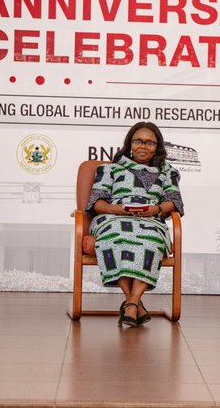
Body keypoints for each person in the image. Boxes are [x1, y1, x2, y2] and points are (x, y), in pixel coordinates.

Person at [86, 122, 184, 327]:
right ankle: (134, 304)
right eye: (138, 141)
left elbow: (173, 201)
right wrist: (117, 209)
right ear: (130, 143)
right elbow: (97, 203)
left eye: (150, 143)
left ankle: (130, 303)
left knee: (149, 240)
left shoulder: (167, 172)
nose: (143, 146)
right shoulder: (109, 169)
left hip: (150, 219)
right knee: (115, 235)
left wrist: (156, 209)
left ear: (157, 147)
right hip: (113, 217)